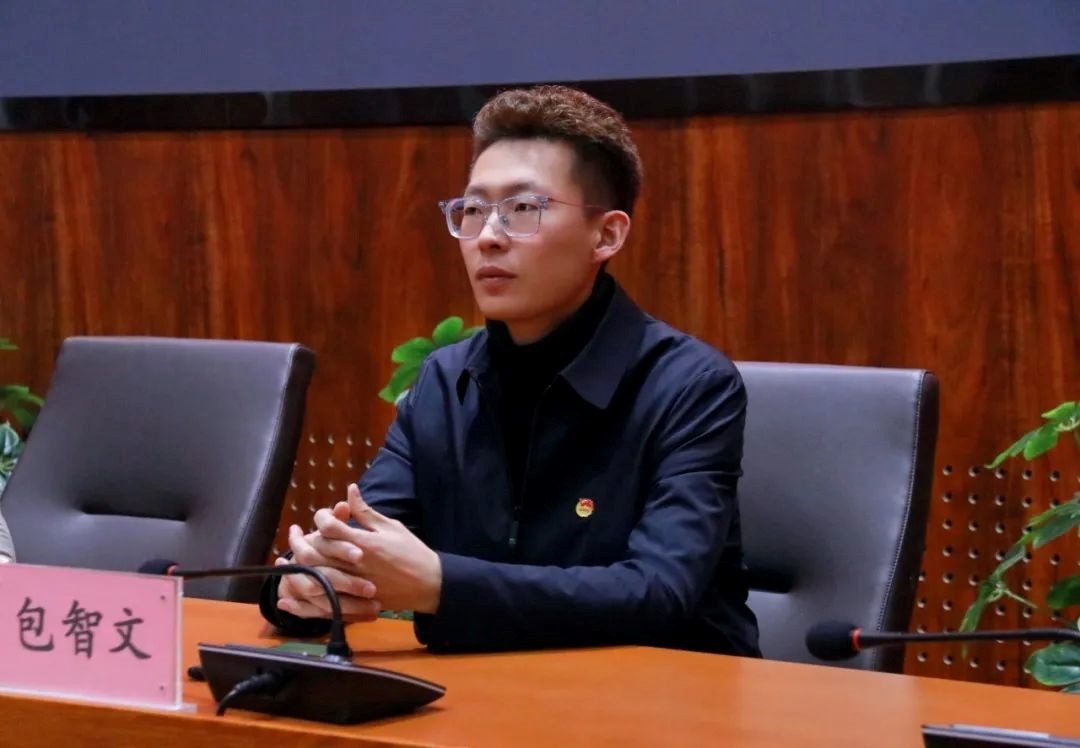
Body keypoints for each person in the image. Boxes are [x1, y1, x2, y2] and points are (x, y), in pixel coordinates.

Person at [260, 85, 760, 656]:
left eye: (524, 210)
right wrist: (303, 584)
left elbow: (659, 593)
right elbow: (361, 538)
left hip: (667, 696)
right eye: (473, 210)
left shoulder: (690, 386)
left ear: (607, 234)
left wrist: (441, 585)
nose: (489, 237)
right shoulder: (445, 381)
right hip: (480, 693)